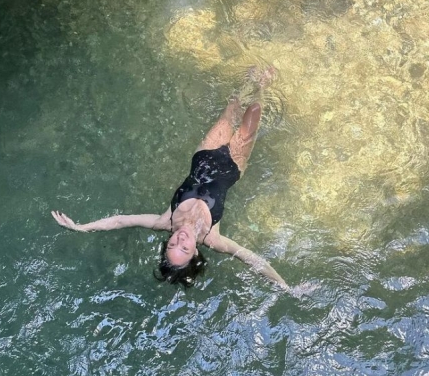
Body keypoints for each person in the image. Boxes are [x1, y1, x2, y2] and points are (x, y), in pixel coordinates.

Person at [51, 69, 288, 289]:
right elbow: (253, 260)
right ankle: (263, 86)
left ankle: (251, 79)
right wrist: (286, 287)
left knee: (232, 108)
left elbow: (120, 221)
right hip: (233, 166)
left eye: (173, 244)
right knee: (254, 111)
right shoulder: (214, 239)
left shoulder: (165, 220)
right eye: (184, 248)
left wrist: (81, 227)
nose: (180, 239)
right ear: (195, 253)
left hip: (204, 155)